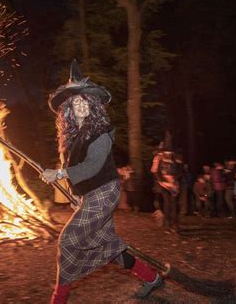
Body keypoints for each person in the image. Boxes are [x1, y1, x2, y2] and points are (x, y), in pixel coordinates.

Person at [42, 60, 162, 304]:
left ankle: (58, 299)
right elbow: (77, 172)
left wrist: (61, 175)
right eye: (75, 102)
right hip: (93, 196)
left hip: (105, 193)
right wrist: (75, 194)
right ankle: (152, 278)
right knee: (106, 247)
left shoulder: (101, 132)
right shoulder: (74, 138)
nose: (81, 104)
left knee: (68, 241)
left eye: (85, 100)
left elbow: (92, 167)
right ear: (69, 110)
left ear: (93, 104)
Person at [151, 131, 181, 232]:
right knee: (167, 203)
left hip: (173, 185)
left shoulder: (176, 159)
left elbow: (180, 171)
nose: (168, 153)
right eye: (166, 151)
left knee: (174, 204)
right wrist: (161, 181)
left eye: (170, 151)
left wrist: (176, 180)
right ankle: (167, 224)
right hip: (163, 185)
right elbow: (155, 171)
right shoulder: (159, 159)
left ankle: (174, 224)